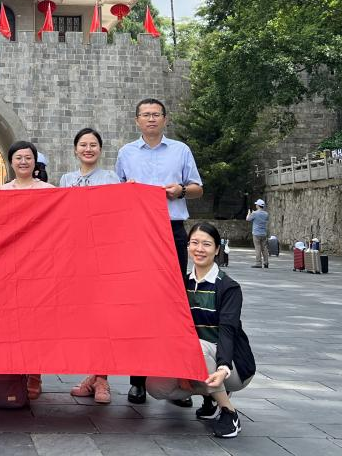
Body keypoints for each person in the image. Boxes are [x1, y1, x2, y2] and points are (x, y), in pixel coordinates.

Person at [114, 97, 203, 405]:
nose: (151, 119)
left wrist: (180, 190)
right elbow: (117, 192)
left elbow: (197, 188)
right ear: (137, 120)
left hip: (171, 230)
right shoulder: (126, 153)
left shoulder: (181, 150)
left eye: (156, 114)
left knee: (174, 302)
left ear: (165, 119)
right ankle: (137, 380)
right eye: (145, 115)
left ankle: (177, 382)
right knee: (138, 304)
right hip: (136, 233)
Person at [145, 222, 255, 439]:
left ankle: (229, 412)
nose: (199, 249)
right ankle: (211, 395)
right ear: (187, 246)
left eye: (206, 244)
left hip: (232, 366)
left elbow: (227, 331)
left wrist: (223, 367)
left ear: (217, 249)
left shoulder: (228, 287)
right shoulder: (182, 285)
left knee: (197, 348)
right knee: (156, 386)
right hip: (195, 359)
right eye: (194, 243)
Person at [60, 127, 120, 404]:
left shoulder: (111, 178)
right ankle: (92, 375)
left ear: (100, 149)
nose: (88, 149)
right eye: (83, 144)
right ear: (75, 149)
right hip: (74, 255)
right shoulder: (66, 179)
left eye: (93, 144)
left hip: (103, 254)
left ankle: (102, 378)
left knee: (103, 317)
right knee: (83, 318)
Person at [0, 139, 54, 399]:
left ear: (35, 161)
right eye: (18, 157)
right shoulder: (2, 191)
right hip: (10, 264)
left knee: (36, 322)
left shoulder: (49, 191)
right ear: (11, 161)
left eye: (28, 158)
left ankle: (34, 374)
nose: (23, 162)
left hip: (39, 263)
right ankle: (14, 371)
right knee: (11, 321)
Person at [246, 199, 270, 269]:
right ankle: (266, 262)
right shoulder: (266, 214)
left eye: (256, 204)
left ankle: (258, 263)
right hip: (263, 233)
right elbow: (265, 219)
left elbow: (248, 219)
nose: (255, 205)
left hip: (256, 233)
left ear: (258, 205)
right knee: (264, 248)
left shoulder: (255, 213)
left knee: (258, 248)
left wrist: (249, 213)